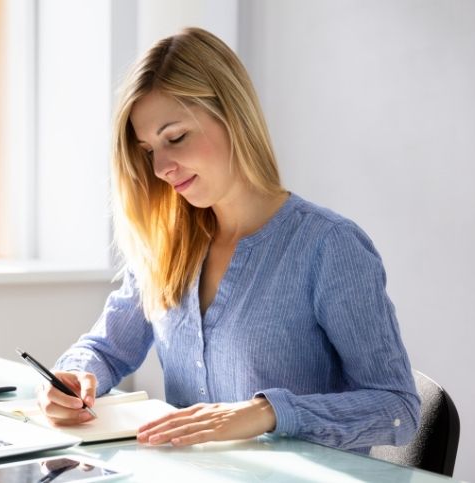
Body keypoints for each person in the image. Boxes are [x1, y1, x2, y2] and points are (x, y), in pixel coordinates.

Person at [37, 27, 420, 453]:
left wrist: (266, 413)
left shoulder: (329, 247)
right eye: (148, 151)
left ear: (232, 116)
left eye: (175, 137)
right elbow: (105, 350)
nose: (161, 166)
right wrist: (72, 378)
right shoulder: (165, 245)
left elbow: (397, 409)